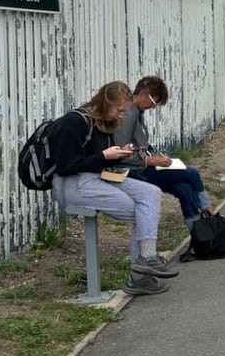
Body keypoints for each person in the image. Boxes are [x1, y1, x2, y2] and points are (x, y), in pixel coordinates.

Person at [51, 81, 178, 296]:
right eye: (119, 111)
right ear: (105, 103)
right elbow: (65, 166)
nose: (121, 117)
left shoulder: (105, 122)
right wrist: (104, 156)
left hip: (99, 176)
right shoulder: (74, 122)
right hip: (74, 185)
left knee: (151, 193)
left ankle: (147, 258)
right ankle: (140, 276)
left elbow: (100, 160)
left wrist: (120, 153)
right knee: (139, 209)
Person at [114, 76, 214, 233]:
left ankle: (199, 235)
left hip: (142, 167)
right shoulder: (128, 114)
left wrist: (154, 156)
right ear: (143, 93)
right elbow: (121, 152)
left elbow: (139, 144)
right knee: (192, 174)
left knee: (185, 190)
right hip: (133, 171)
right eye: (153, 102)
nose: (153, 107)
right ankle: (210, 213)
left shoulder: (136, 112)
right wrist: (153, 160)